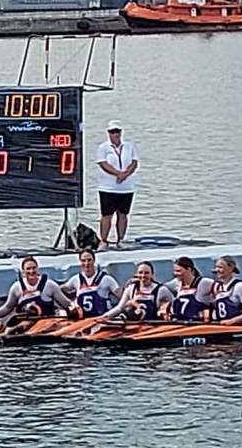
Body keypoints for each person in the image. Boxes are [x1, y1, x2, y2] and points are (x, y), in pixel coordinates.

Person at [95, 119, 139, 251]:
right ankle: (104, 240)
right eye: (113, 131)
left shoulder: (129, 146)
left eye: (117, 131)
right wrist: (117, 174)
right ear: (108, 133)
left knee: (123, 214)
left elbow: (134, 162)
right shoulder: (103, 147)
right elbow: (103, 163)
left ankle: (120, 239)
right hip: (108, 187)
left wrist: (125, 174)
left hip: (126, 187)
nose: (115, 134)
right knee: (106, 214)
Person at [0, 256, 71, 318]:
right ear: (23, 272)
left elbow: (66, 304)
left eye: (34, 268)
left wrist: (76, 307)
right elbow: (7, 307)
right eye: (28, 269)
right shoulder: (16, 287)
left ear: (38, 269)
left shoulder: (50, 285)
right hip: (24, 324)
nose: (31, 271)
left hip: (46, 323)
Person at [61, 249, 123, 318]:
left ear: (94, 261)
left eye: (89, 260)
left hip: (102, 320)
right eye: (83, 261)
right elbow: (61, 291)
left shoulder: (106, 279)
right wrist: (72, 302)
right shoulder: (76, 279)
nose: (86, 264)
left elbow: (122, 296)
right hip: (82, 320)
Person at [104, 261, 173, 321]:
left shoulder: (161, 290)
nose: (143, 276)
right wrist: (104, 317)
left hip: (153, 327)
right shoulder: (131, 288)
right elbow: (119, 308)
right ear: (136, 274)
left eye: (146, 273)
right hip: (134, 327)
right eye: (140, 272)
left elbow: (175, 304)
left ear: (152, 275)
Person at [163, 256, 215, 322]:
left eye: (179, 271)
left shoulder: (204, 283)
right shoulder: (176, 283)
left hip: (197, 324)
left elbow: (221, 291)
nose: (176, 274)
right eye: (175, 271)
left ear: (189, 269)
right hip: (180, 324)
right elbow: (160, 288)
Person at [213, 255, 242, 325]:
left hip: (238, 326)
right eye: (216, 267)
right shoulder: (217, 287)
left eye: (220, 267)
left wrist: (232, 321)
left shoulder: (239, 287)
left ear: (230, 268)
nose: (217, 270)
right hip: (222, 325)